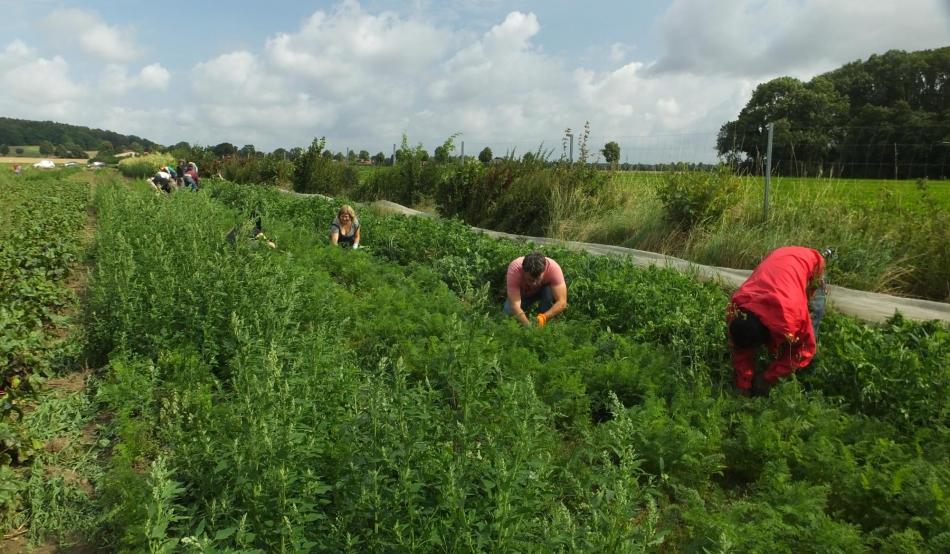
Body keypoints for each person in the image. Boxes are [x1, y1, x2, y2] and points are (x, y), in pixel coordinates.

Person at [727, 246, 827, 397]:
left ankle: (801, 378)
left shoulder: (791, 317)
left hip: (810, 263)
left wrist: (768, 378)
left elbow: (804, 350)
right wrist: (744, 383)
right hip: (779, 259)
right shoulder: (738, 307)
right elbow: (741, 347)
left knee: (812, 317)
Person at [504, 251, 568, 327]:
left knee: (548, 290)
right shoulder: (515, 270)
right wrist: (528, 326)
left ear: (544, 271)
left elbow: (562, 302)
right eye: (530, 280)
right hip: (523, 295)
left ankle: (543, 320)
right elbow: (515, 305)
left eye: (538, 279)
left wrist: (543, 318)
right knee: (508, 311)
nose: (534, 283)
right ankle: (529, 321)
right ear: (523, 271)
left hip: (542, 293)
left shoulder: (554, 268)